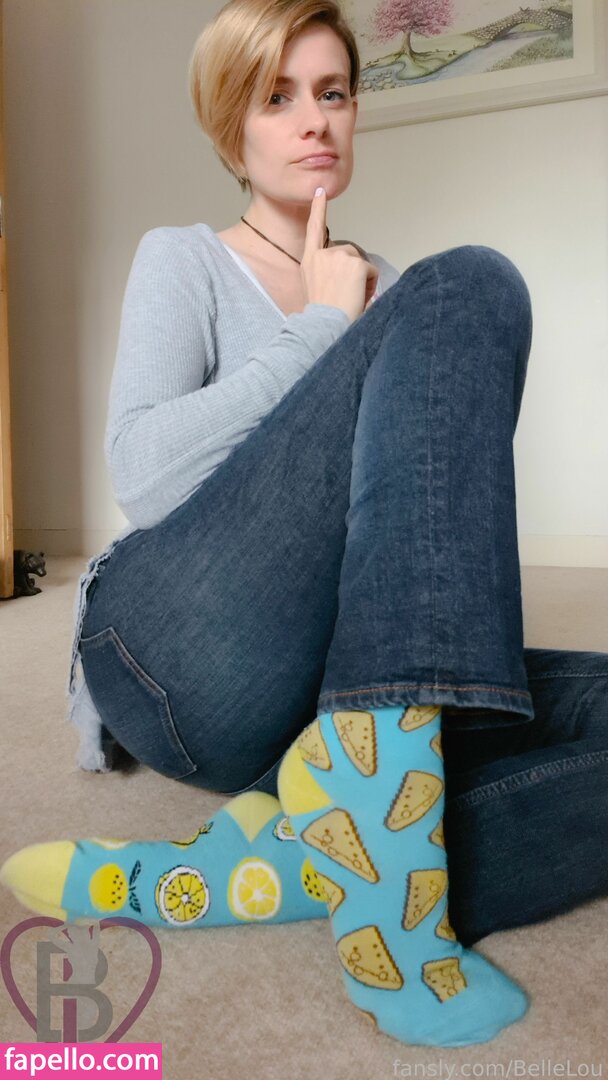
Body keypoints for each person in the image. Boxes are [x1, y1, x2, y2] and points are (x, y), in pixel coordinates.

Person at [2, 0, 608, 1051]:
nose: (314, 119)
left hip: (329, 695)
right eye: (277, 98)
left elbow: (417, 563)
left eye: (332, 93)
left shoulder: (390, 295)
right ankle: (387, 882)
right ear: (229, 123)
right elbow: (145, 478)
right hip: (171, 652)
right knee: (470, 281)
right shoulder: (187, 259)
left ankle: (293, 856)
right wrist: (322, 324)